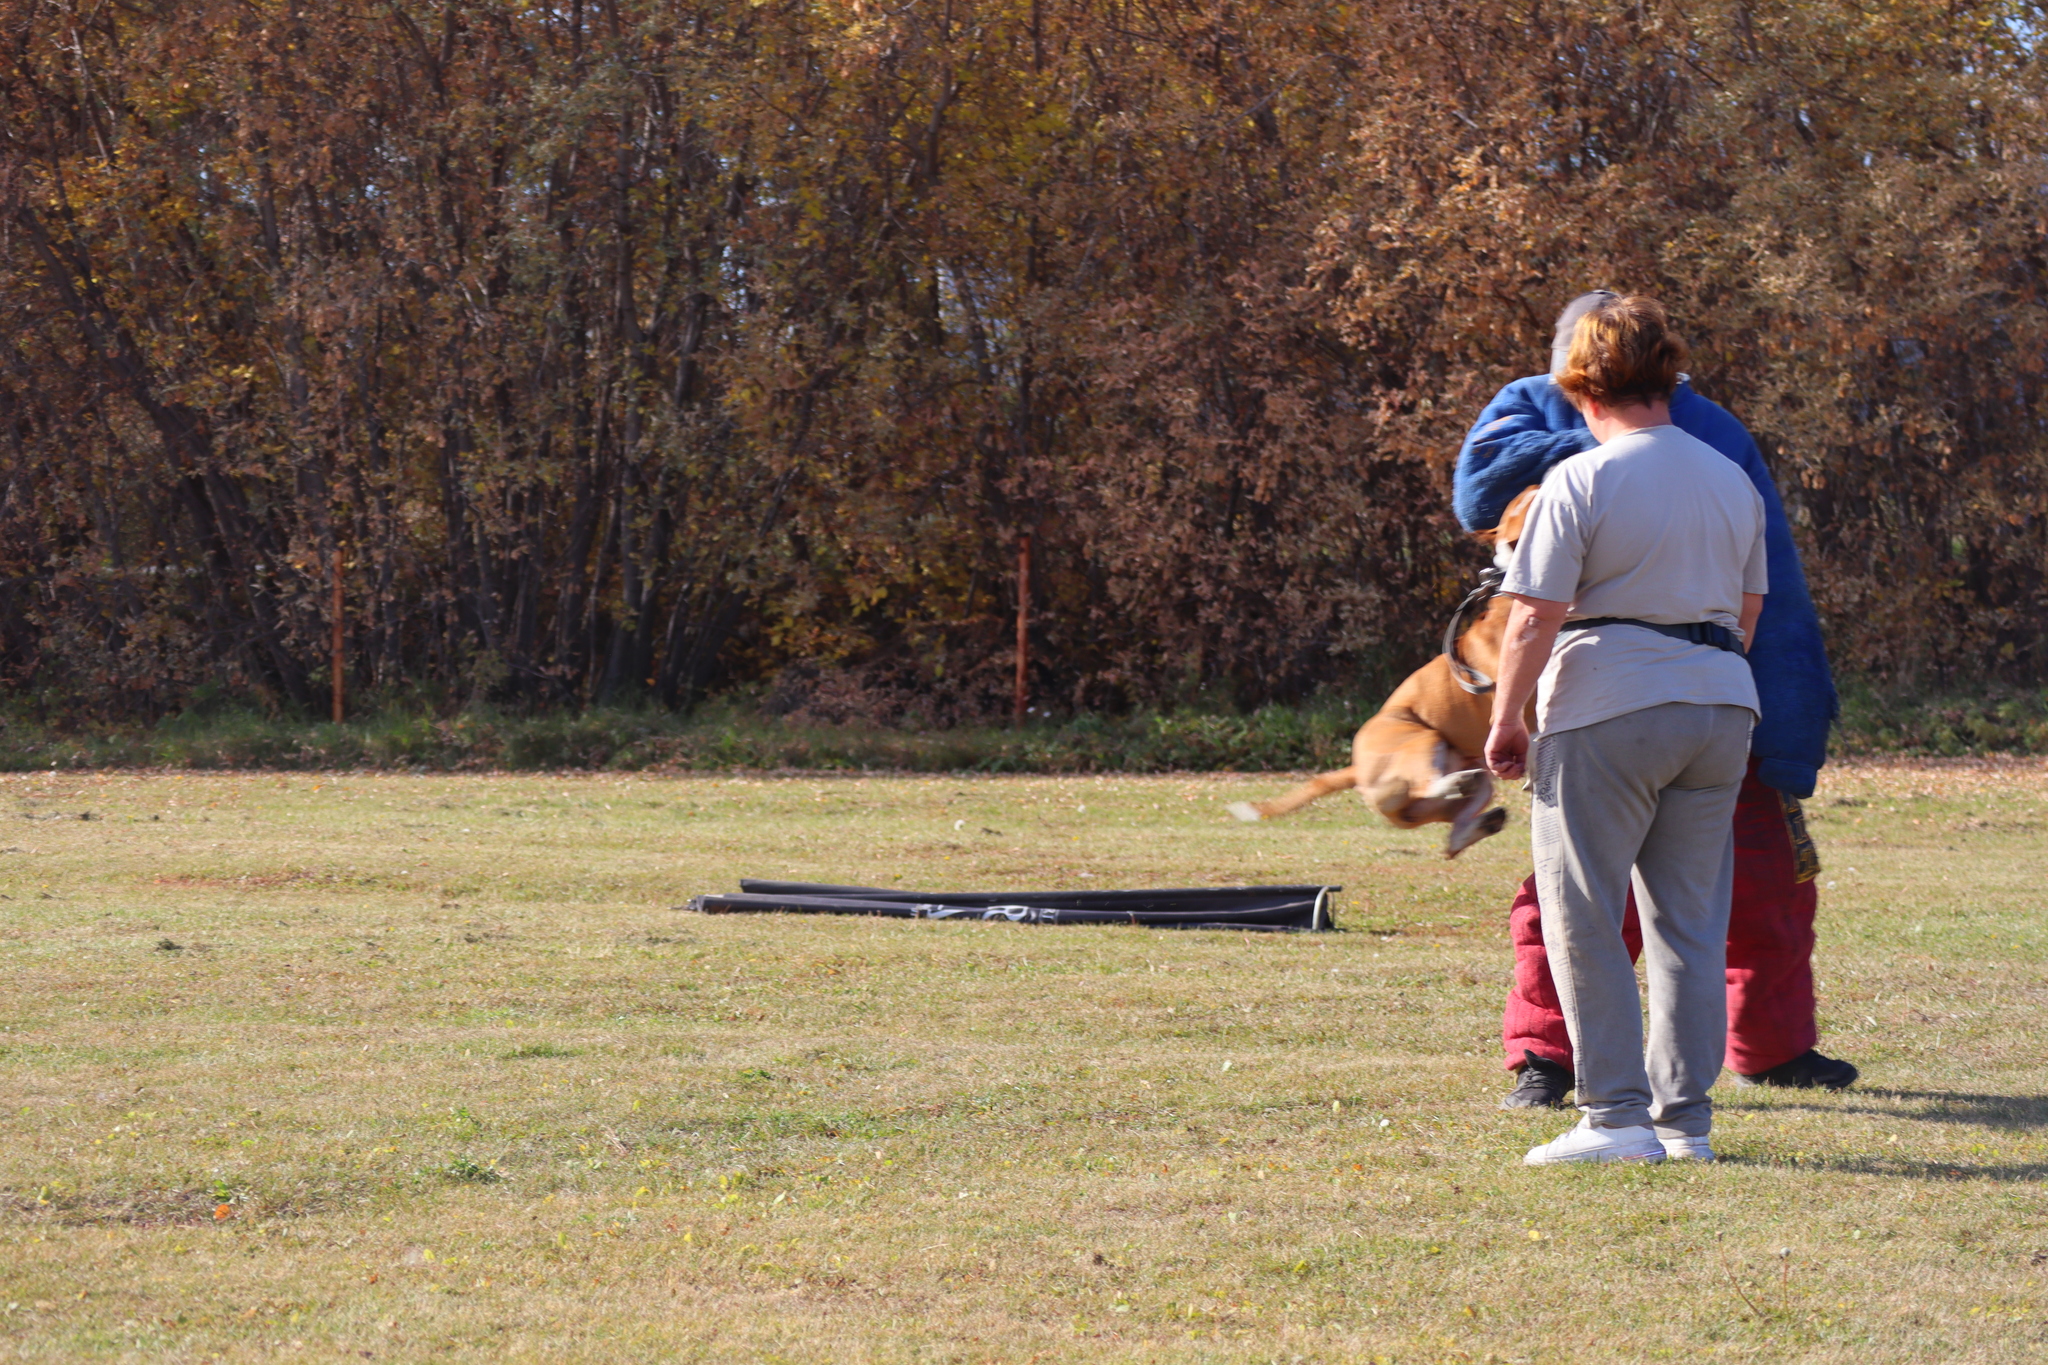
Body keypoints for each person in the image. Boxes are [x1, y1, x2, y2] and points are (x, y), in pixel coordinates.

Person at [1456, 291, 1856, 1108]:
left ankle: (1769, 1046)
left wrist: (1508, 717)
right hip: (1707, 692)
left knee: (1759, 885)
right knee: (1593, 902)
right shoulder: (1671, 440)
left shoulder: (1711, 436)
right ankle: (1552, 1059)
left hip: (1685, 695)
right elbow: (1478, 498)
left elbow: (1538, 611)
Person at [1485, 294, 1767, 1164]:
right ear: (1667, 377)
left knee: (1582, 913)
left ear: (1581, 387)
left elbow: (1533, 617)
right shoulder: (1730, 476)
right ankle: (1686, 1123)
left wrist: (1506, 719)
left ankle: (1613, 1116)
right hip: (1722, 702)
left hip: (1610, 698)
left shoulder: (1582, 477)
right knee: (1689, 923)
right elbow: (1750, 609)